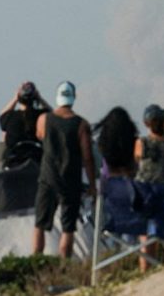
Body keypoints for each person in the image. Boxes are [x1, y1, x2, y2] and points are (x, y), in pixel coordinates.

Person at [32, 81, 96, 258]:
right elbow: (87, 156)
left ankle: (36, 260)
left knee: (40, 224)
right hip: (71, 178)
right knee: (68, 228)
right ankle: (64, 265)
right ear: (73, 98)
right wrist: (92, 184)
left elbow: (39, 135)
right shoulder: (82, 124)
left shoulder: (44, 119)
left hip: (47, 176)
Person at [134, 104, 164, 271]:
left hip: (147, 196)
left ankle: (145, 270)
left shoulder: (142, 143)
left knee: (147, 237)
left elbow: (136, 161)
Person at [0, 81, 51, 168]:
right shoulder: (41, 116)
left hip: (14, 161)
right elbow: (53, 116)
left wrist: (15, 98)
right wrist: (40, 98)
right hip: (37, 160)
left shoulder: (11, 117)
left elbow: (2, 116)